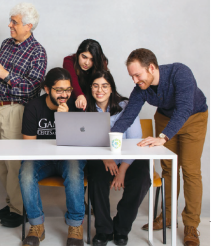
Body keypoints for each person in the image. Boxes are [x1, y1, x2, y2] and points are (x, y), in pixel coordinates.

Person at [112, 48, 208, 246]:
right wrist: (113, 135)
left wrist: (163, 137)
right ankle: (167, 216)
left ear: (152, 67)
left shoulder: (180, 73)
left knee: (190, 170)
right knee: (168, 169)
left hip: (193, 118)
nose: (135, 80)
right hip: (165, 119)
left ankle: (191, 224)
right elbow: (128, 115)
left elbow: (184, 109)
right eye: (131, 76)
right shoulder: (140, 88)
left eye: (137, 74)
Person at [0, 3, 47, 228]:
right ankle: (13, 202)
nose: (9, 25)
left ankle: (19, 209)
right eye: (10, 21)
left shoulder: (38, 51)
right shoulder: (6, 44)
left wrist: (5, 75)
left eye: (14, 22)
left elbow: (33, 89)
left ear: (28, 26)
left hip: (16, 110)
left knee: (14, 164)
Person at [19, 68, 86, 246]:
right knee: (25, 171)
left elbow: (80, 144)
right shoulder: (34, 107)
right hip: (43, 160)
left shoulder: (76, 106)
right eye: (59, 90)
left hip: (69, 157)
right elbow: (29, 146)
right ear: (47, 89)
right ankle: (36, 225)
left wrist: (64, 121)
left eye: (68, 89)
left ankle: (75, 226)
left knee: (73, 168)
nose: (64, 95)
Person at [85, 71, 151, 246]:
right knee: (97, 179)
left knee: (142, 178)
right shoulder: (86, 108)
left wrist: (122, 169)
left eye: (105, 85)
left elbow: (135, 140)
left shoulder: (127, 106)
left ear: (111, 88)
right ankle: (103, 230)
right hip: (101, 157)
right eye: (95, 85)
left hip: (129, 156)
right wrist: (105, 159)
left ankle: (121, 228)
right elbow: (86, 141)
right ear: (90, 88)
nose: (100, 90)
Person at [63, 39, 108, 111]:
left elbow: (104, 84)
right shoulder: (69, 61)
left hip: (93, 99)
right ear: (78, 54)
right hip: (74, 99)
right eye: (84, 57)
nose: (87, 63)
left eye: (92, 60)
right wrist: (80, 95)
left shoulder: (101, 63)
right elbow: (72, 79)